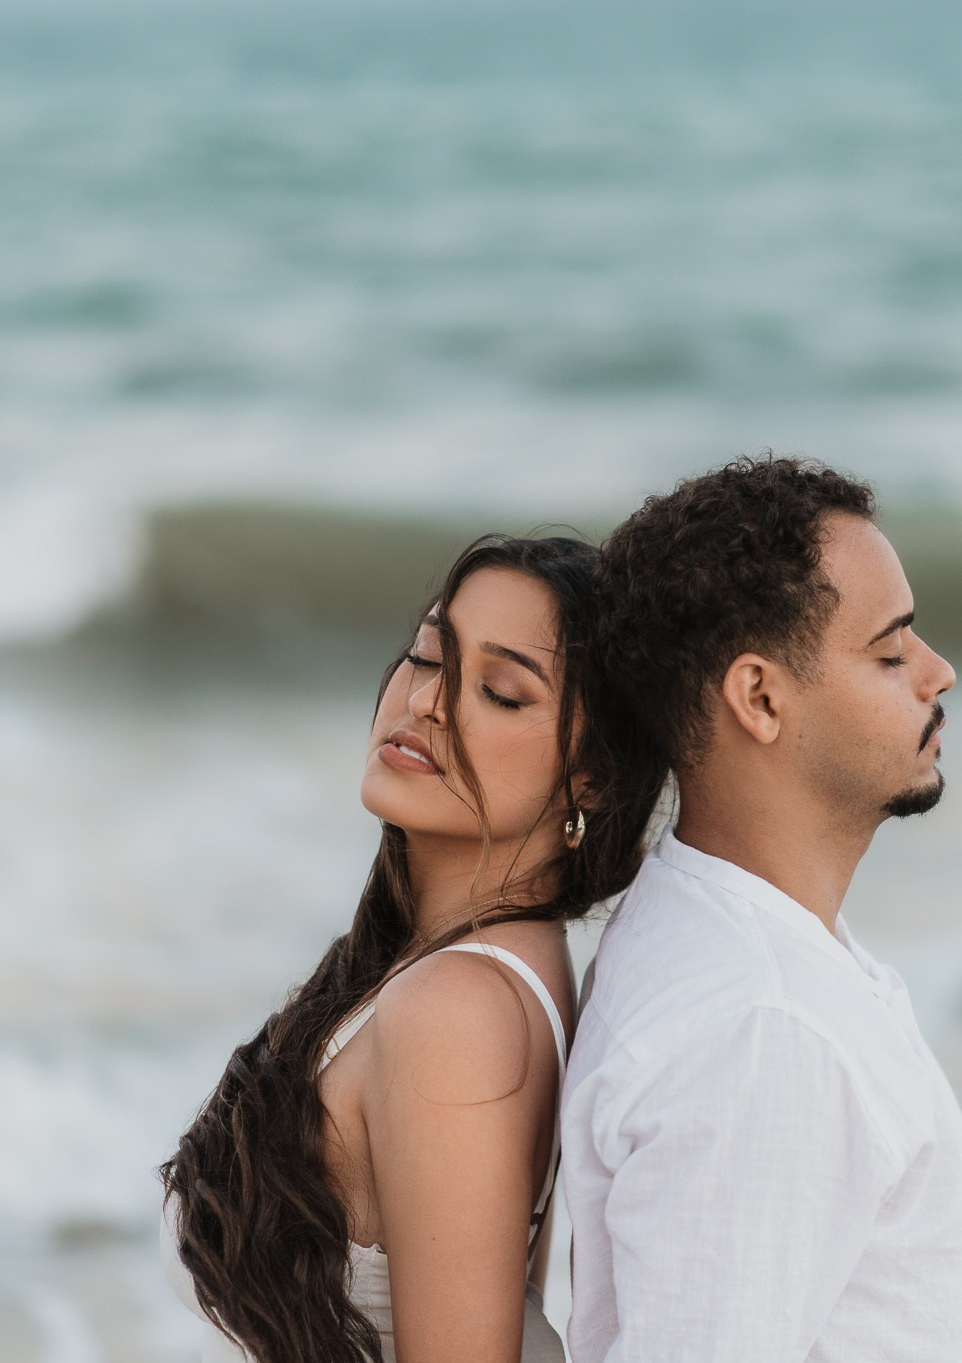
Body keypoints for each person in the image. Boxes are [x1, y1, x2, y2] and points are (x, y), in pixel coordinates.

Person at [160, 535, 665, 1363]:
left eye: (501, 693)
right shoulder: (492, 967)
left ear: (596, 777)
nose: (428, 700)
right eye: (430, 653)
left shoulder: (459, 1010)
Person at [563, 457, 962, 1361]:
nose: (939, 672)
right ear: (760, 698)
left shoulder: (733, 937)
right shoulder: (763, 1027)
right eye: (891, 651)